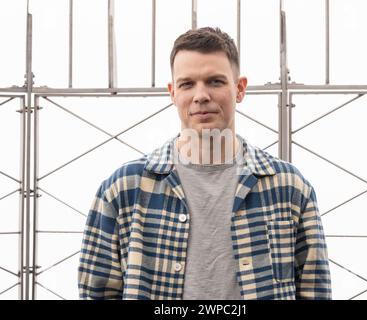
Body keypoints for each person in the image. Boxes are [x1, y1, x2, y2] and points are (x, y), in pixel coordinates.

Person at [78, 27, 332, 300]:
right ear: (172, 92)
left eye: (215, 81)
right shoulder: (123, 189)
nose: (201, 95)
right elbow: (97, 292)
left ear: (240, 88)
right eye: (187, 84)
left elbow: (314, 291)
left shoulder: (289, 187)